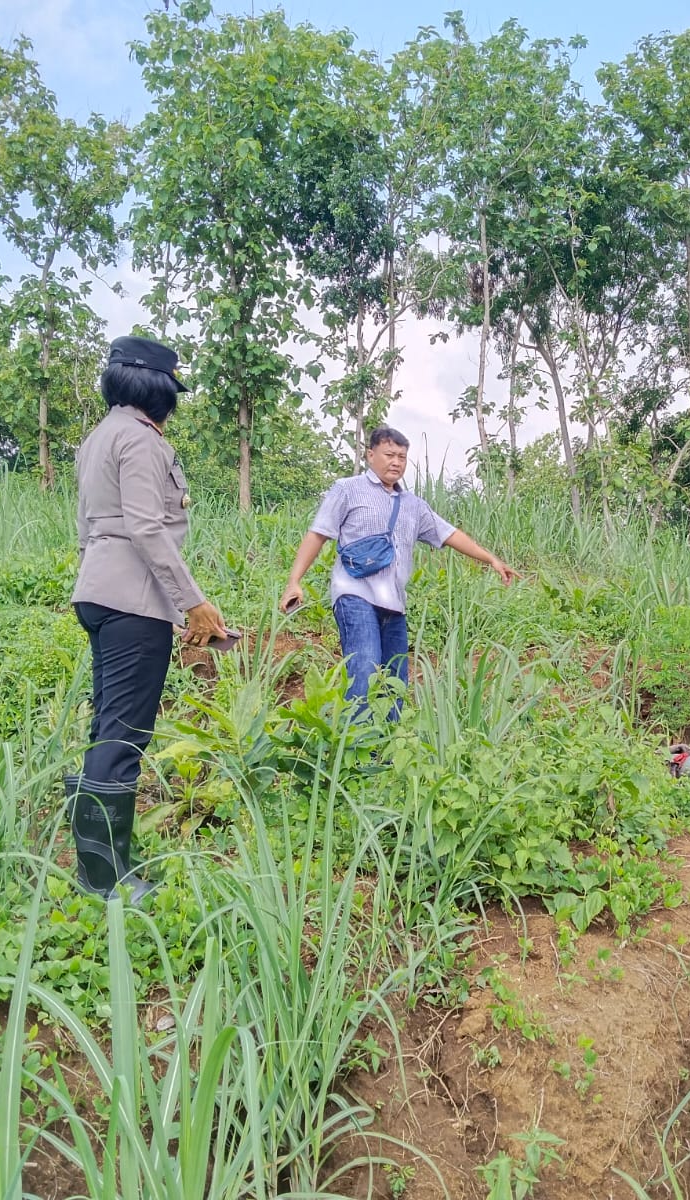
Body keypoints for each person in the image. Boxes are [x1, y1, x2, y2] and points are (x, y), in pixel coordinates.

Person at [67, 335, 229, 902]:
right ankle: (103, 879)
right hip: (134, 600)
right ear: (159, 389)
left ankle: (104, 862)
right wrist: (194, 602)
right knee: (125, 733)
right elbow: (145, 527)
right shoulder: (140, 440)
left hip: (97, 591)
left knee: (105, 728)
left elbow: (92, 525)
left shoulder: (98, 436)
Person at [282, 426, 517, 718]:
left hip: (394, 603)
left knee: (395, 679)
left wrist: (491, 559)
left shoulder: (413, 506)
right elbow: (318, 534)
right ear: (370, 455)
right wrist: (294, 581)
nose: (396, 462)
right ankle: (353, 748)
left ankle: (390, 749)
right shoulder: (348, 489)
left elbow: (449, 534)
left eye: (402, 457)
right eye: (389, 454)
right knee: (365, 666)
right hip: (354, 593)